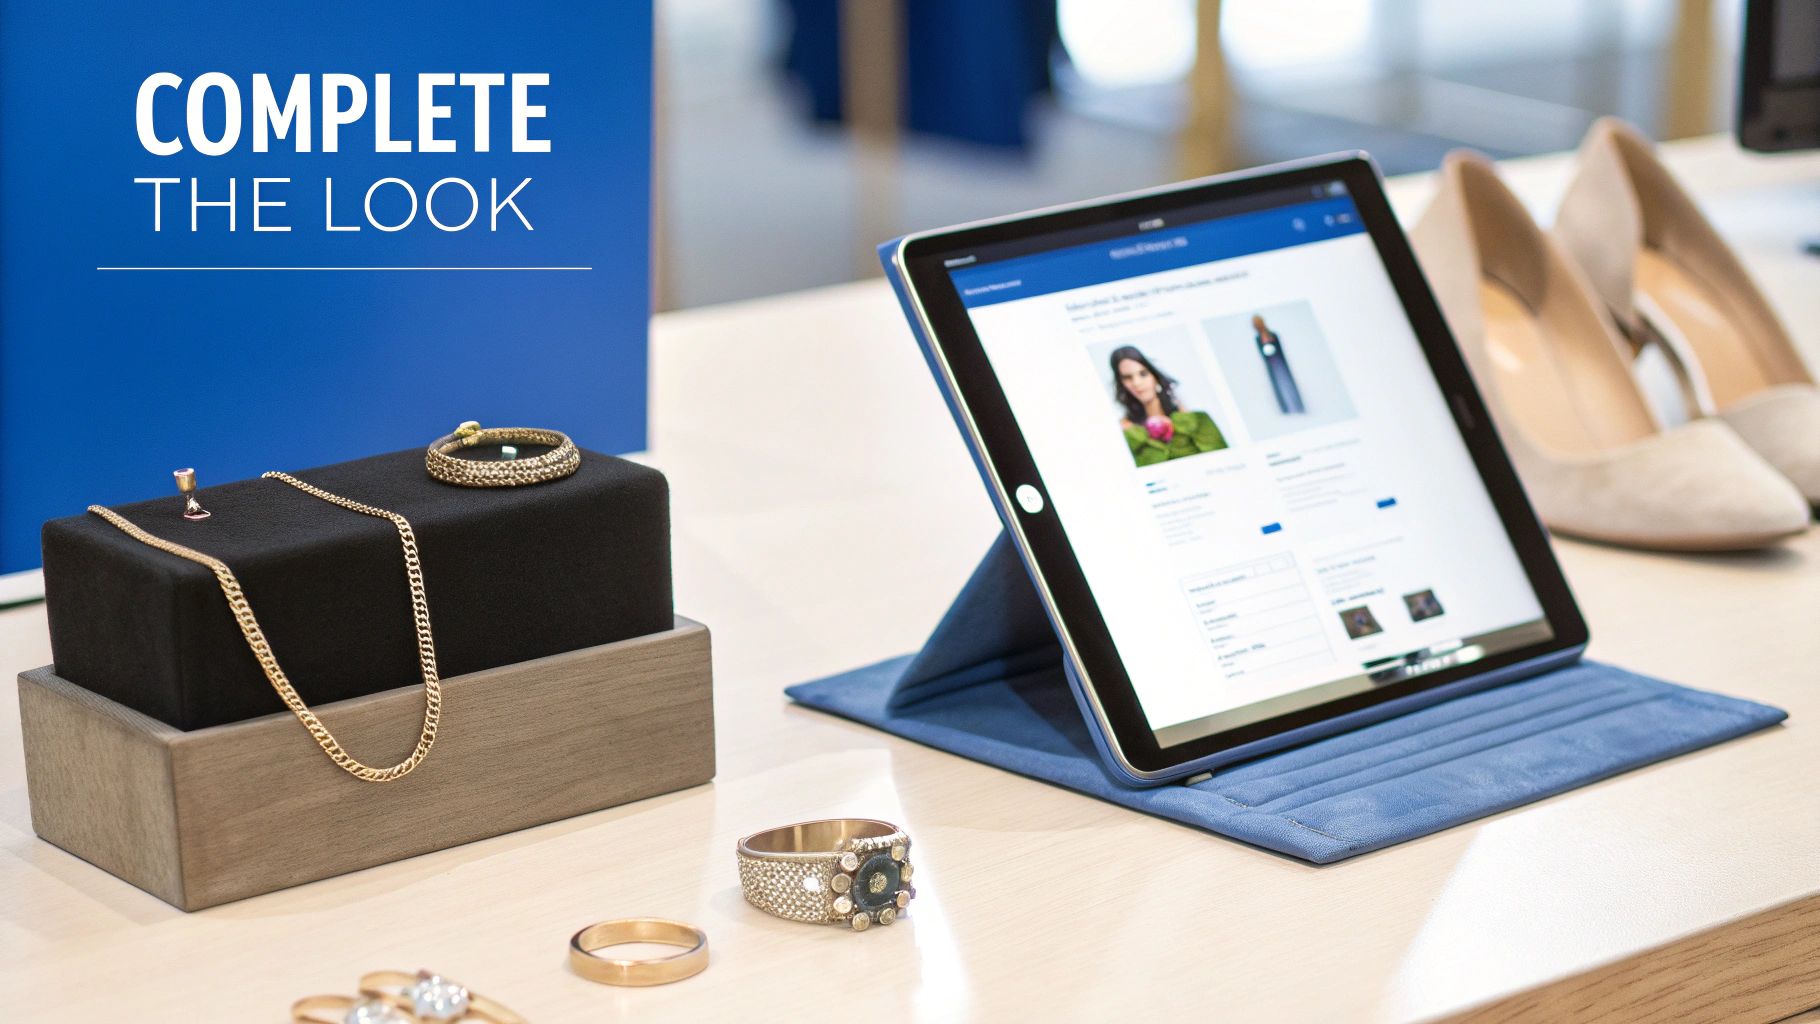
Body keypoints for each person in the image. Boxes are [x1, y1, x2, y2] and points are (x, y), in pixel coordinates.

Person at [1109, 346, 1227, 467]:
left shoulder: (1197, 420)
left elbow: (1223, 461)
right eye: (1127, 378)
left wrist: (1186, 420)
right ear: (1121, 384)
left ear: (1155, 376)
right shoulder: (1126, 433)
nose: (1137, 383)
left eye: (1143, 374)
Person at [1253, 314, 1307, 415]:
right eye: (1256, 324)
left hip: (1281, 362)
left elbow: (1279, 348)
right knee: (1277, 386)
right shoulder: (1258, 338)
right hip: (1271, 365)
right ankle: (1285, 408)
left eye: (1258, 323)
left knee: (1289, 383)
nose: (1257, 326)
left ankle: (1299, 405)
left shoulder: (1273, 335)